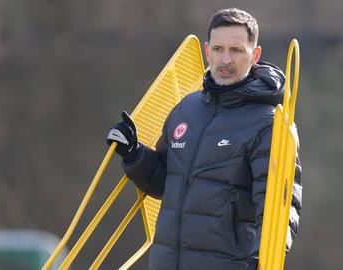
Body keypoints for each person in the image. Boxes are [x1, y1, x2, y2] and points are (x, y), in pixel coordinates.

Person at [107, 8, 302, 270]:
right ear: (207, 50)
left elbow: (281, 206)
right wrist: (134, 154)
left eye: (236, 50)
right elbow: (165, 182)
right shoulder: (186, 109)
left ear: (255, 55)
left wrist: (264, 260)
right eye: (219, 49)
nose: (225, 60)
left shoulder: (268, 123)